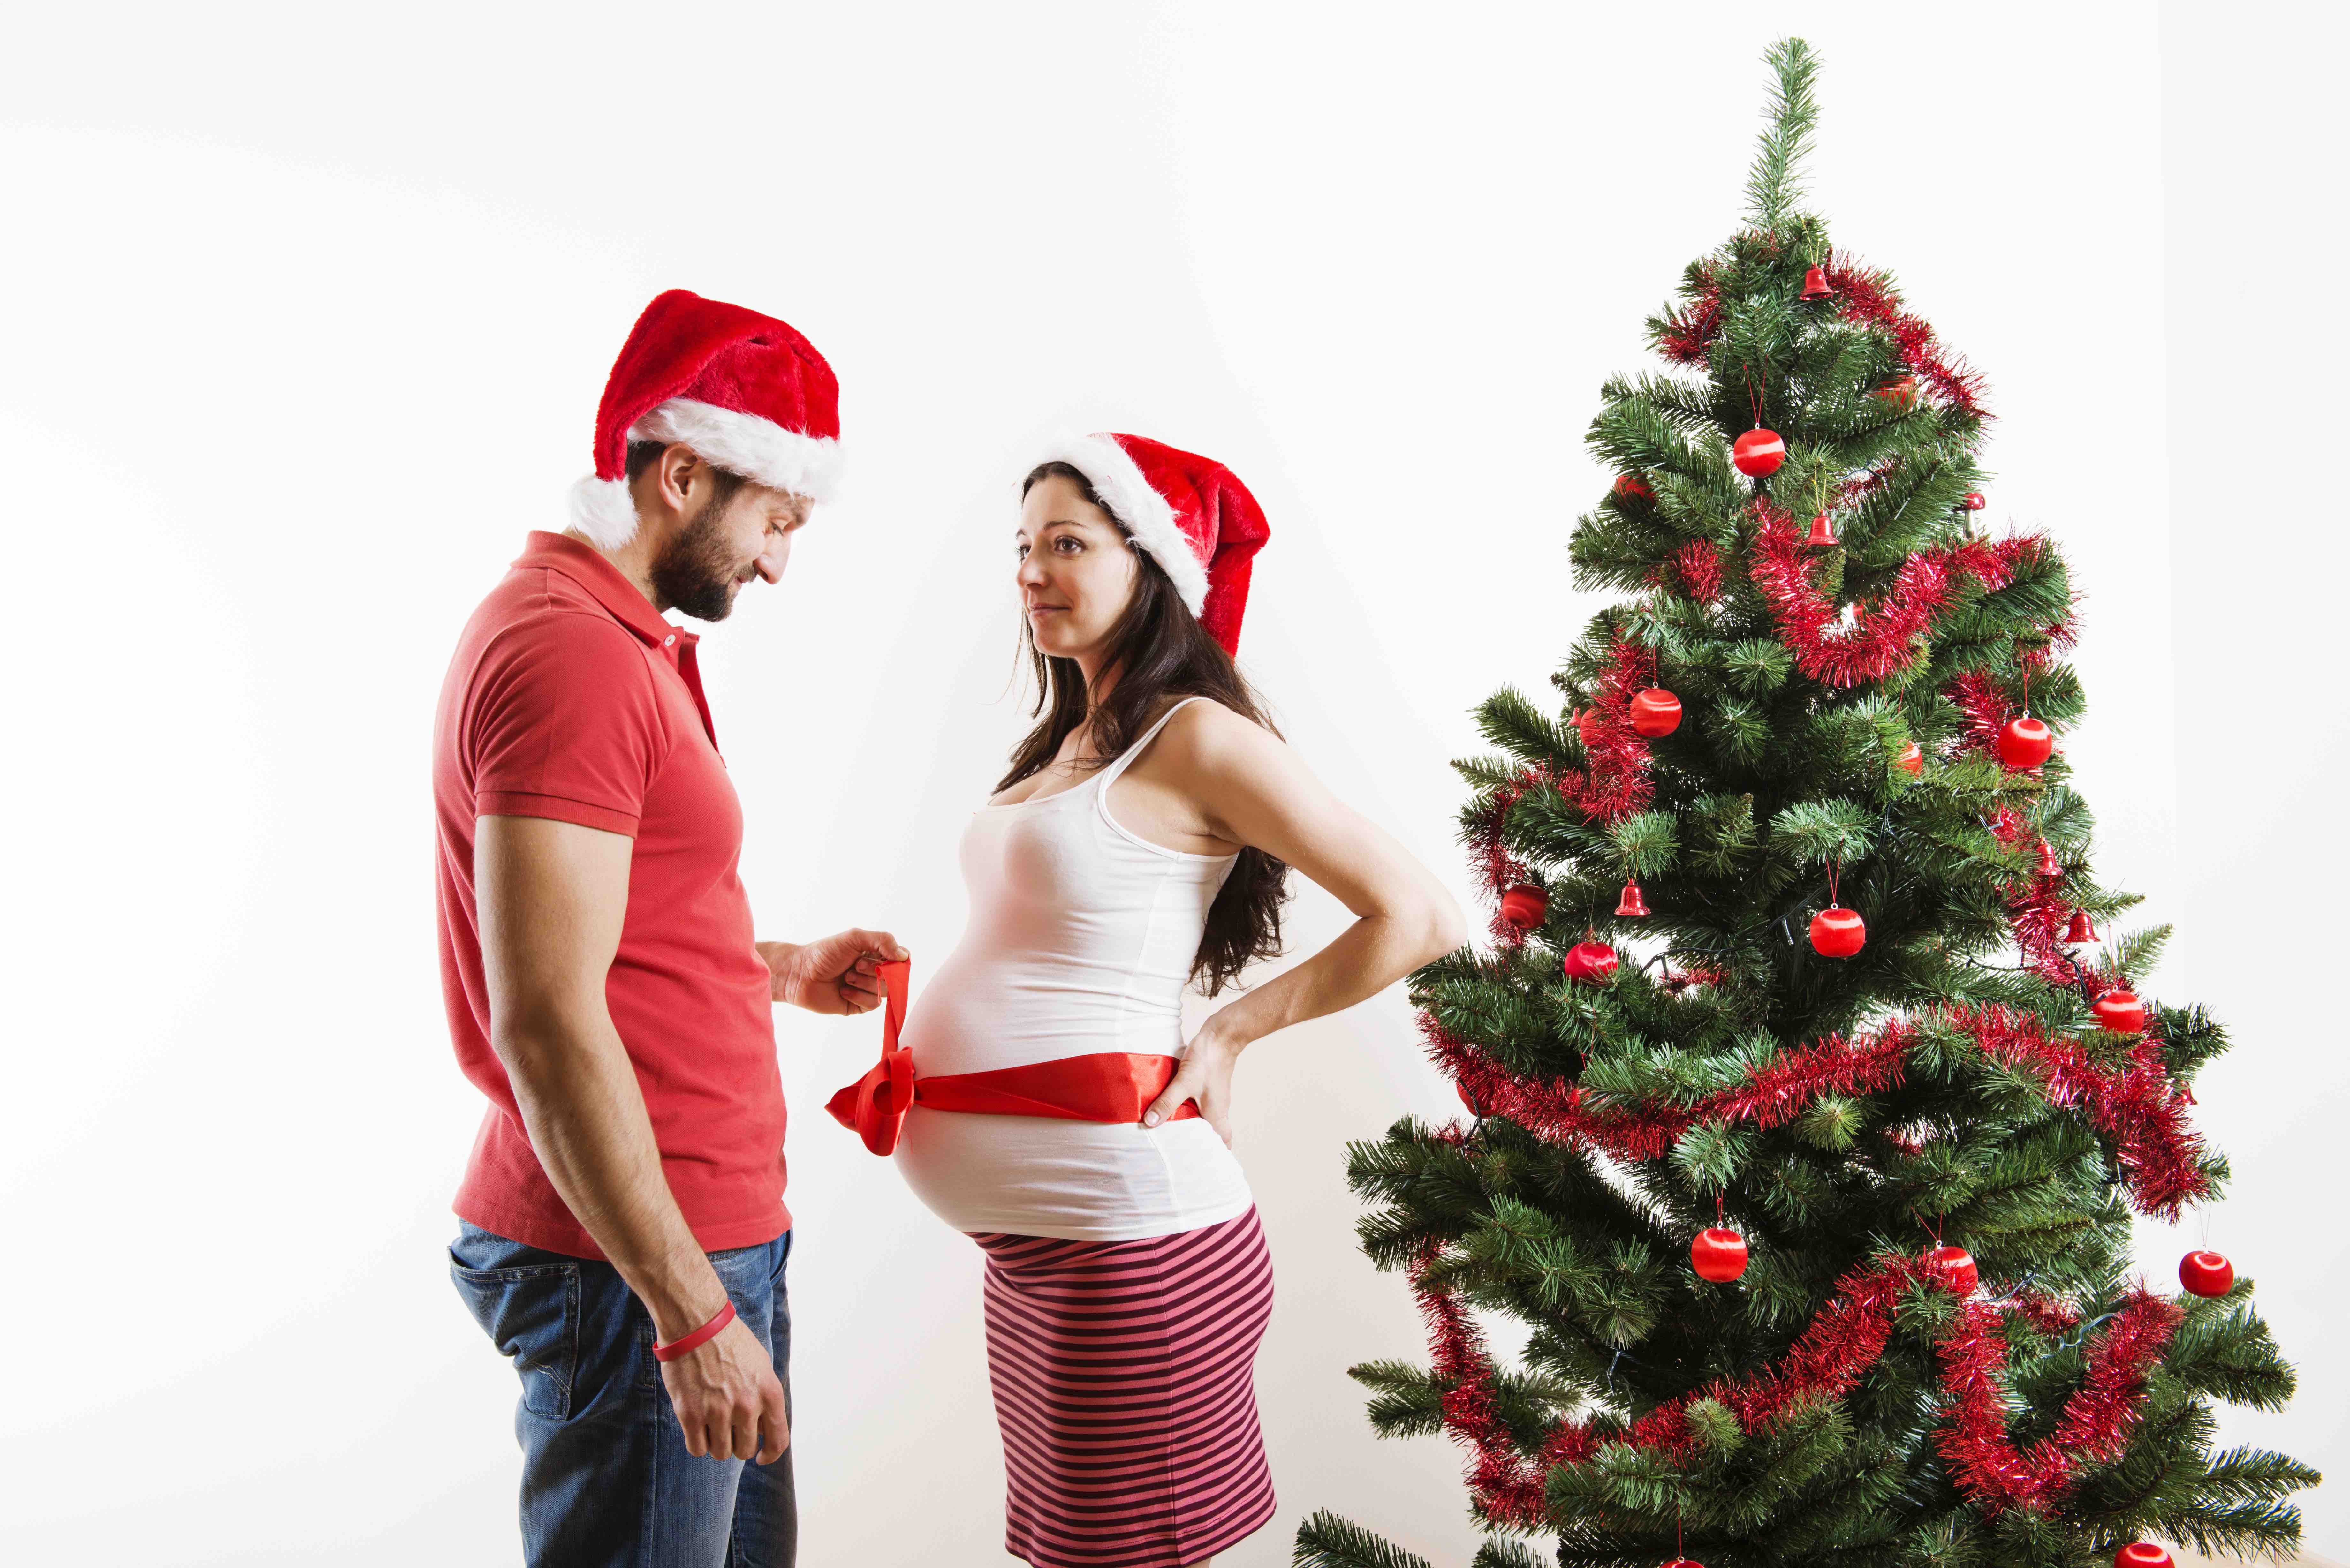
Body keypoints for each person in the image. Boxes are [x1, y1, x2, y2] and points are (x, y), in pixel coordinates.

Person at [871, 433, 1467, 1568]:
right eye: (1023, 547)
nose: (1032, 572)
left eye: (1068, 544)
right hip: (1044, 1256)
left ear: (1149, 565)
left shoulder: (1194, 735)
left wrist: (1236, 1028)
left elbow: (1419, 915)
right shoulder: (1066, 741)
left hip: (1133, 1251)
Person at [431, 288, 902, 1567]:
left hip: (688, 1242)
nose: (776, 560)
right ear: (682, 474)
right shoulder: (570, 655)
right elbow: (543, 1010)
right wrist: (689, 1313)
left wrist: (785, 970)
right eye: (774, 519)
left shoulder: (621, 644)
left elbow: (614, 939)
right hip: (637, 1262)